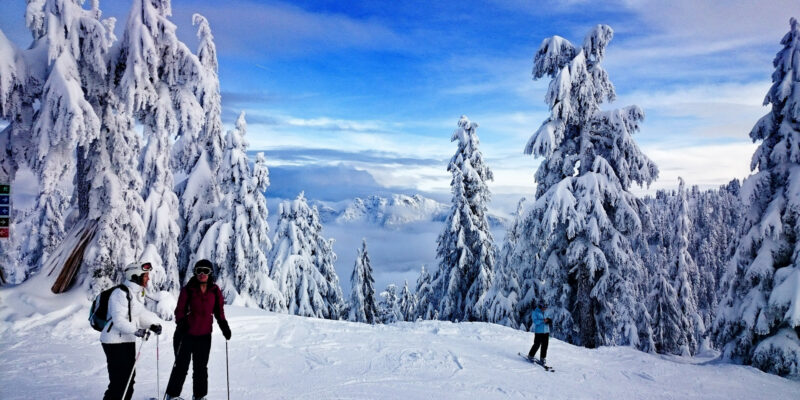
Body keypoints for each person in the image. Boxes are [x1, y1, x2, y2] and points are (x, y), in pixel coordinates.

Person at [165, 259, 231, 400]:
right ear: (194, 273)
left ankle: (199, 396)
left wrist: (224, 326)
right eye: (198, 271)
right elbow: (179, 311)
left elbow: (219, 311)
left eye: (205, 271)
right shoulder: (188, 290)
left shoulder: (214, 290)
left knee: (201, 368)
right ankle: (172, 395)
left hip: (204, 336)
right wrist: (181, 323)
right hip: (185, 335)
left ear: (210, 273)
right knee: (181, 366)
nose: (202, 274)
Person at [100, 261, 163, 400]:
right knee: (118, 381)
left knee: (129, 378)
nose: (148, 278)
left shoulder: (136, 293)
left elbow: (137, 316)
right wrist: (137, 331)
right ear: (135, 275)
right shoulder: (119, 294)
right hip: (113, 342)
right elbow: (118, 321)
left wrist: (151, 325)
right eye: (145, 275)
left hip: (127, 340)